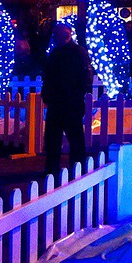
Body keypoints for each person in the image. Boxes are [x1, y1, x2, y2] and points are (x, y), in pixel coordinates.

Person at [42, 23, 93, 177]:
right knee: (55, 136)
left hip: (69, 101)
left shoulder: (75, 52)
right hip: (60, 100)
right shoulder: (61, 52)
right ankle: (56, 168)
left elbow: (85, 77)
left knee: (72, 135)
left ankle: (74, 167)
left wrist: (77, 94)